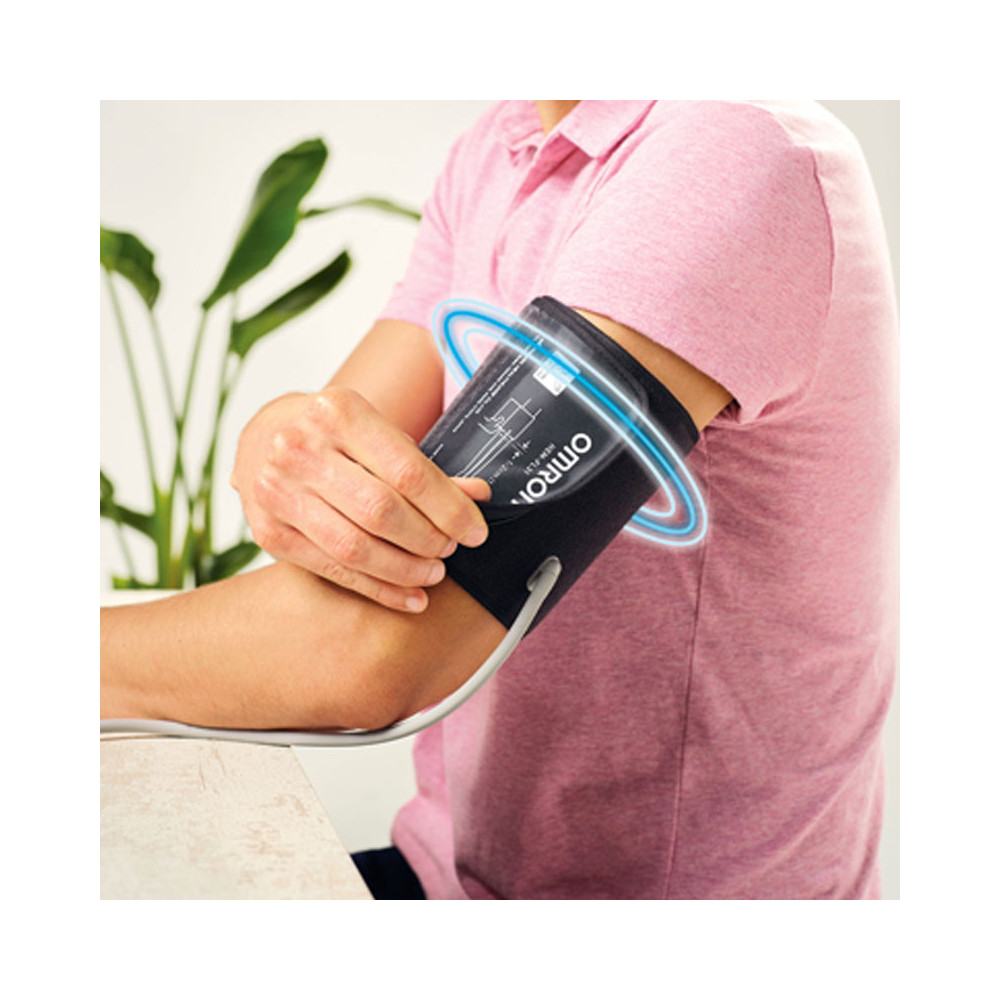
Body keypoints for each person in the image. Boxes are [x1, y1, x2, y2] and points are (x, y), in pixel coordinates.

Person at [101, 100, 898, 900]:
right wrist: (282, 446)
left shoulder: (727, 150)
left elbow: (373, 648)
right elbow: (339, 505)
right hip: (455, 877)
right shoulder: (502, 145)